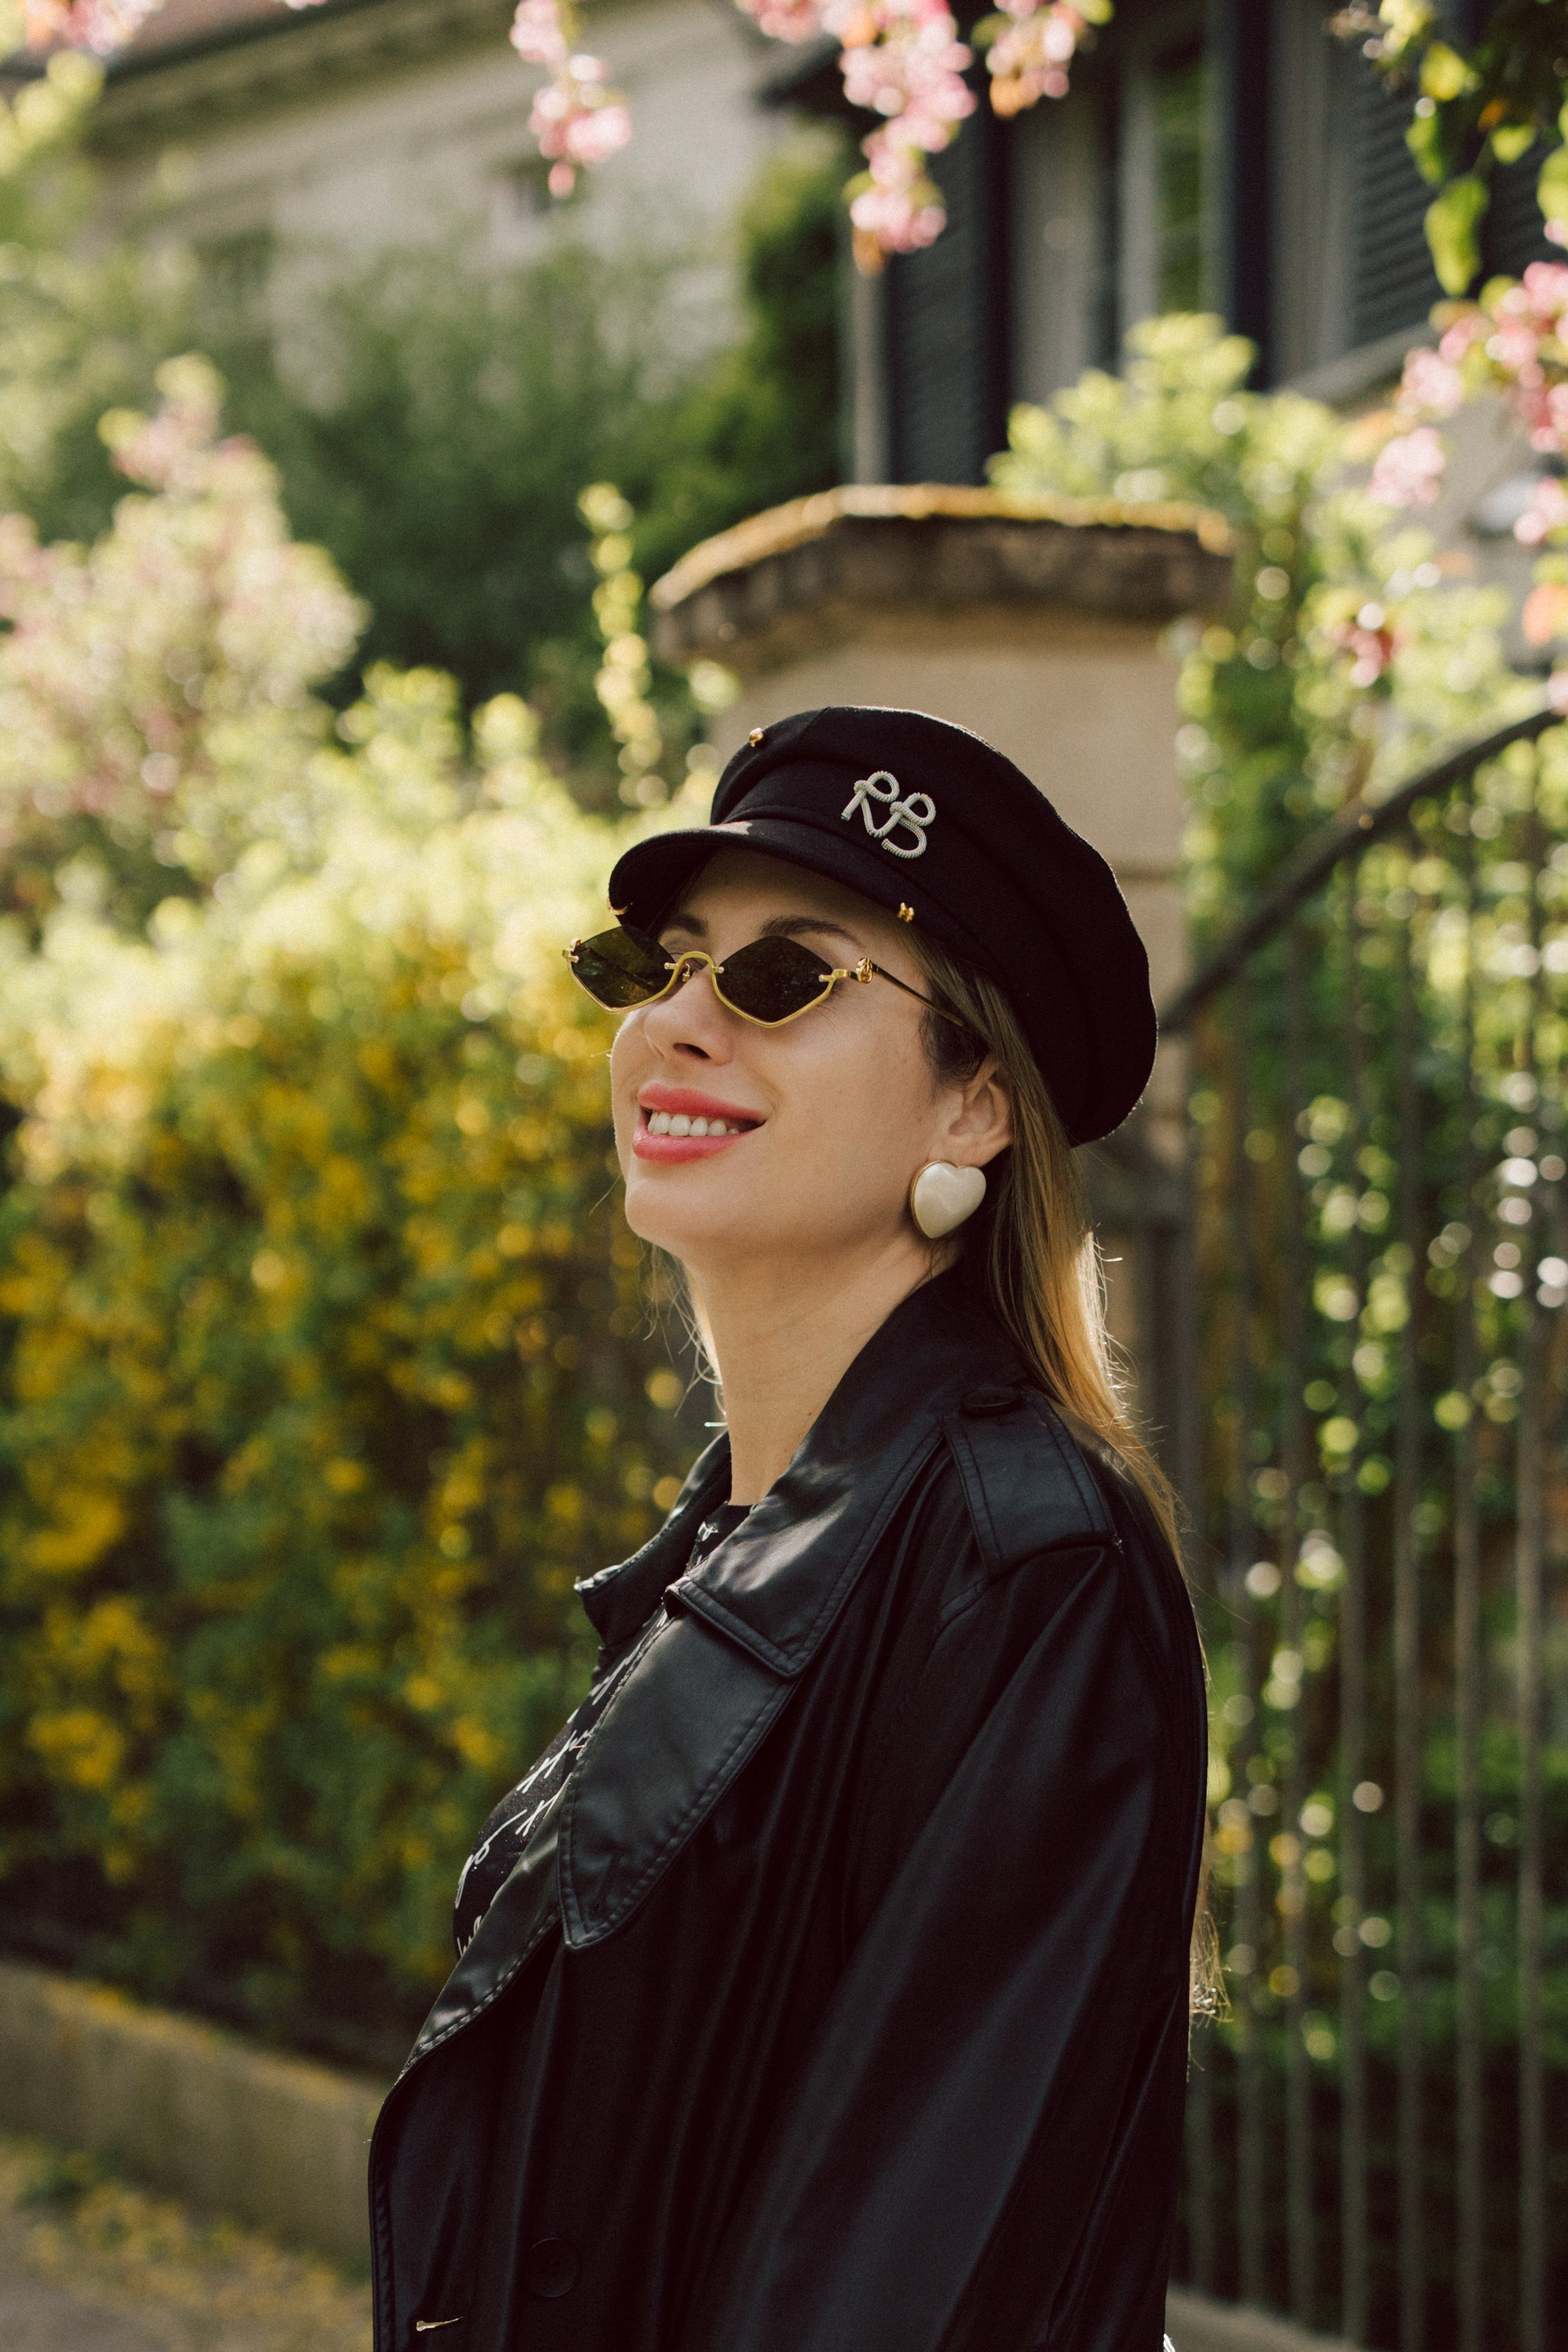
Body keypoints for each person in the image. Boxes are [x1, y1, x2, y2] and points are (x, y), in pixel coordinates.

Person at [368, 705, 1209, 2352]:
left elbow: (899, 2274)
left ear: (975, 1104)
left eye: (783, 978)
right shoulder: (729, 1545)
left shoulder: (1032, 1568)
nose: (679, 1018)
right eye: (664, 963)